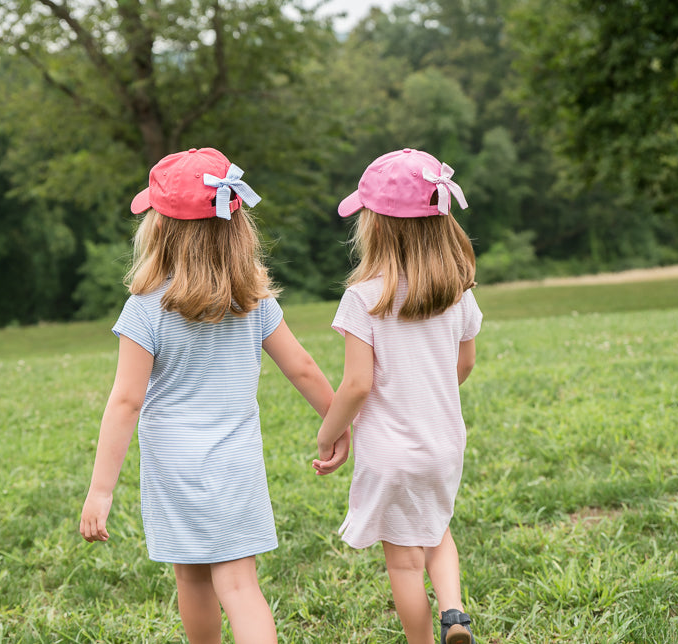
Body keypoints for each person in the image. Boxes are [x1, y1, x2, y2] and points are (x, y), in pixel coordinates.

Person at [79, 147, 344, 644]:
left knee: (192, 578)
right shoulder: (254, 302)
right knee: (241, 585)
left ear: (159, 229)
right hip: (237, 462)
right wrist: (338, 424)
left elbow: (125, 402)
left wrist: (101, 489)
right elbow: (304, 368)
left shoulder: (145, 308)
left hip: (174, 467)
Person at [313, 148, 483, 644]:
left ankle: (423, 641)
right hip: (443, 443)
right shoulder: (458, 288)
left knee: (404, 563)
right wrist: (432, 392)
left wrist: (329, 433)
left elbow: (357, 385)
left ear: (376, 226)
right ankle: (454, 613)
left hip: (389, 451)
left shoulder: (364, 296)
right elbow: (466, 363)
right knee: (437, 530)